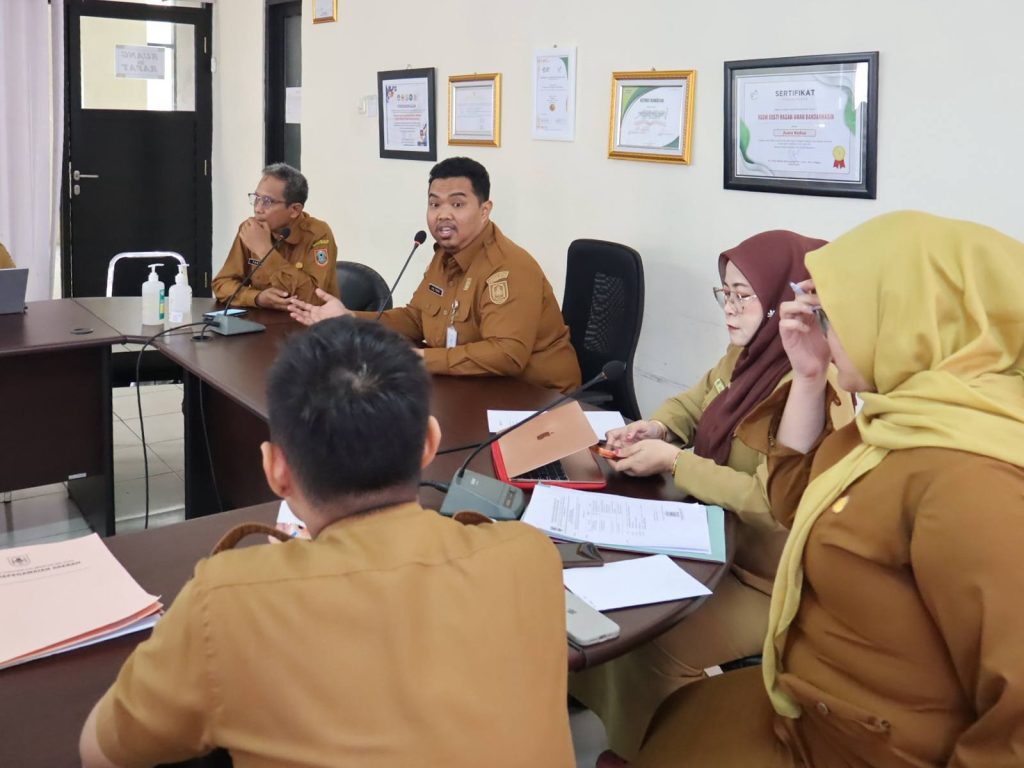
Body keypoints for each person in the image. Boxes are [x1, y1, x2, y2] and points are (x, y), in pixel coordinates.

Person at [79, 317, 574, 768]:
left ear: (276, 470)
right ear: (429, 442)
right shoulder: (529, 556)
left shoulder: (226, 601)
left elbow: (100, 752)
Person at [635, 211, 1024, 767]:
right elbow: (792, 498)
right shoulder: (900, 421)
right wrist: (809, 376)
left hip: (862, 745)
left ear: (913, 321)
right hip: (814, 707)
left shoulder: (971, 477)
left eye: (837, 316)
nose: (823, 331)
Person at [570, 231, 853, 762]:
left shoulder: (815, 388)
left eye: (744, 296)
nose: (730, 308)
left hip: (772, 580)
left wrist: (675, 462)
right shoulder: (748, 355)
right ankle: (615, 725)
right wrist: (657, 427)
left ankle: (653, 752)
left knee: (656, 642)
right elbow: (697, 400)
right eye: (725, 293)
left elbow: (771, 501)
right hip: (714, 541)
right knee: (611, 603)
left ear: (782, 301)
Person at [288, 156, 581, 393]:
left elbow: (506, 355)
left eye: (457, 204)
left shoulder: (507, 268)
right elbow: (417, 319)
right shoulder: (445, 254)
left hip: (540, 400)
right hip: (477, 389)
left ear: (484, 210)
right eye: (434, 204)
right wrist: (350, 319)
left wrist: (420, 358)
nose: (443, 214)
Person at [212, 163, 339, 310]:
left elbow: (314, 298)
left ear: (294, 210)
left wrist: (265, 251)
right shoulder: (251, 230)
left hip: (311, 321)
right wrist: (257, 298)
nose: (258, 208)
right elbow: (222, 284)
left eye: (267, 201)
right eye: (256, 198)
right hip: (263, 320)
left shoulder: (318, 234)